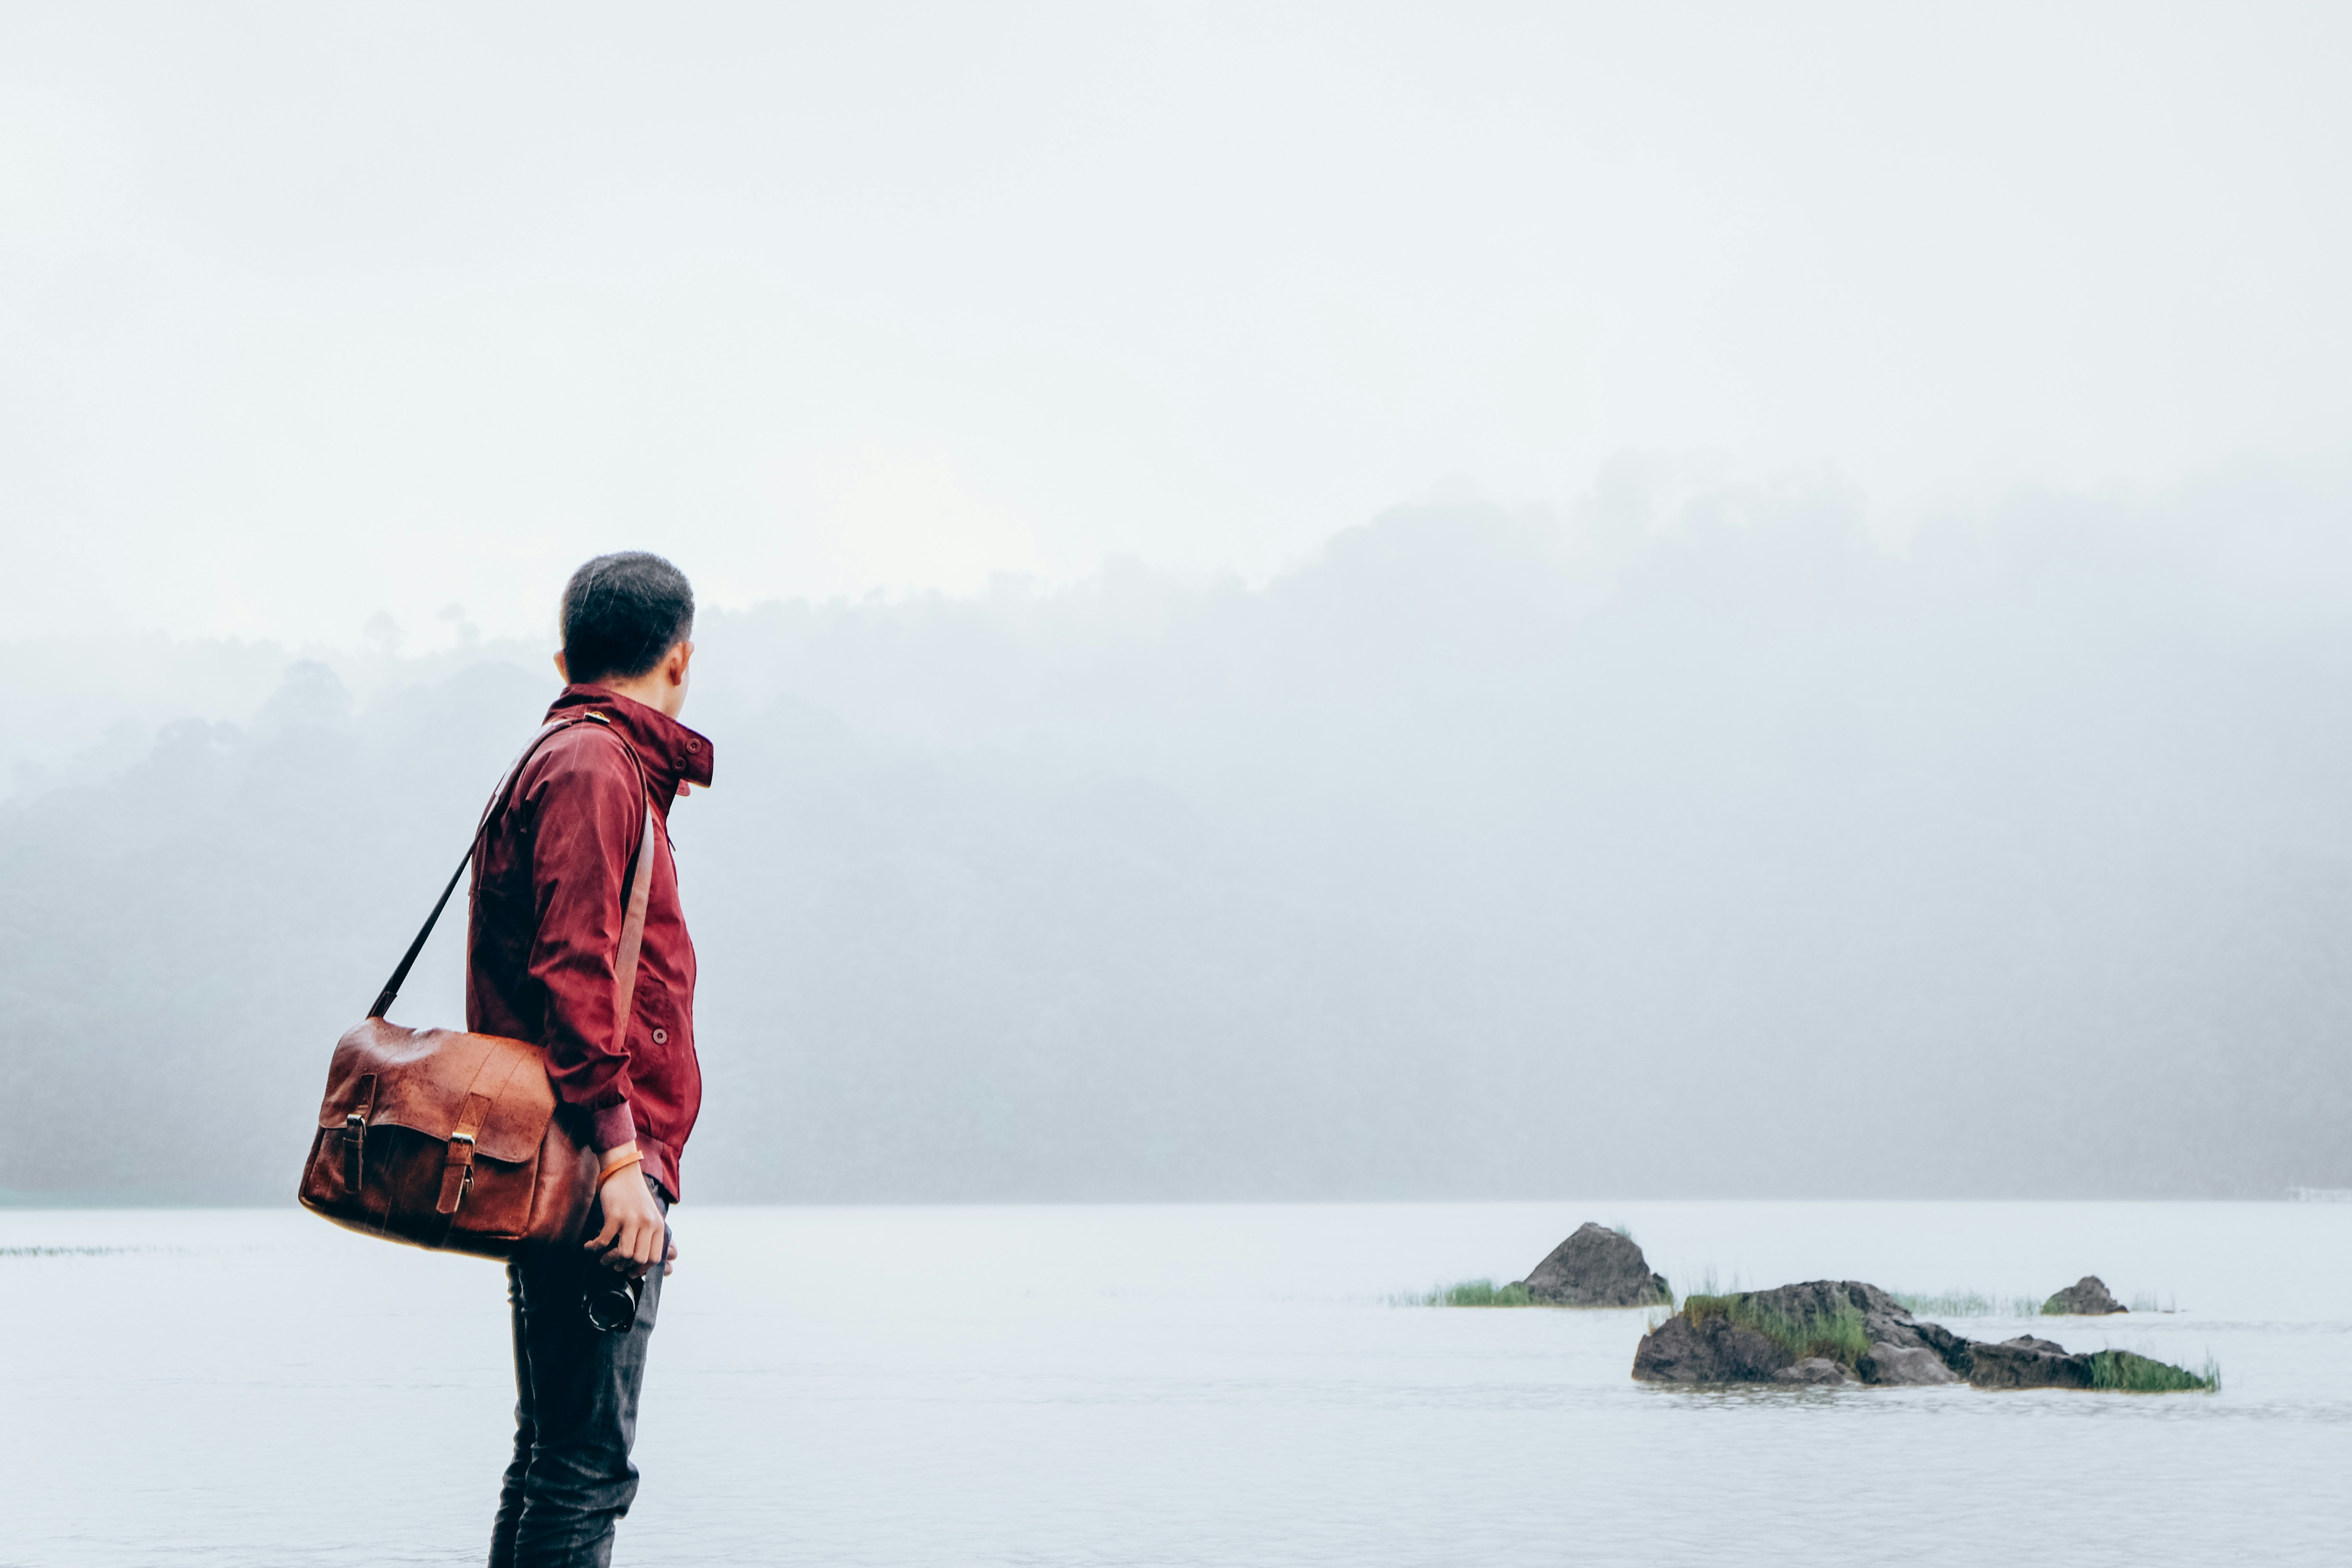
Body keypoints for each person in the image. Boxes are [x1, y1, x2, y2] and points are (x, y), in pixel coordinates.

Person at [467, 551, 713, 1567]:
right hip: (587, 1164)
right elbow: (574, 971)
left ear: (567, 656)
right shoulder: (595, 768)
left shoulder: (573, 758)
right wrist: (621, 1163)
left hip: (570, 1158)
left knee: (554, 1459)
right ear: (681, 660)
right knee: (583, 1472)